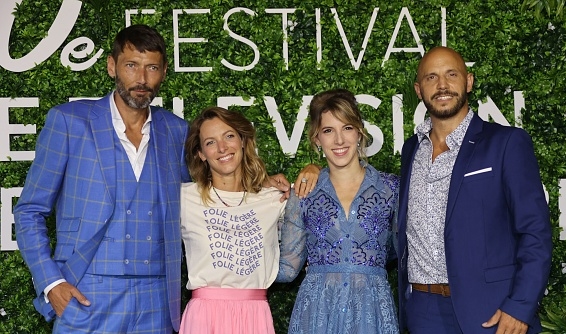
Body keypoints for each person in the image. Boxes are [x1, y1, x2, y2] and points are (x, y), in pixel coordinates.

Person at [12, 25, 298, 334]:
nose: (141, 79)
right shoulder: (69, 122)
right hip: (86, 294)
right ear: (112, 66)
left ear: (162, 73)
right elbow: (29, 211)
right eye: (131, 65)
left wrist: (261, 182)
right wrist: (52, 283)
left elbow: (214, 188)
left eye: (152, 68)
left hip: (157, 303)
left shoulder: (176, 130)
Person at [397, 46, 552, 334]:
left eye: (451, 74)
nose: (442, 85)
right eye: (431, 77)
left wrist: (520, 306)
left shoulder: (506, 143)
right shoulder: (411, 150)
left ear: (468, 81)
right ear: (419, 90)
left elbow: (535, 232)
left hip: (492, 312)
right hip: (423, 312)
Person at [277, 89, 400, 334]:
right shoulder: (303, 194)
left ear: (359, 131)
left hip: (372, 314)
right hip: (317, 316)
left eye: (347, 128)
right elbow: (288, 268)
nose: (339, 140)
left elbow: (403, 252)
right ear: (316, 138)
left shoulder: (391, 188)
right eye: (328, 131)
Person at [179, 106, 293, 333]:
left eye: (229, 136)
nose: (222, 148)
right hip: (203, 318)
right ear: (200, 153)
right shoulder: (183, 197)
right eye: (210, 142)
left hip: (255, 316)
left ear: (242, 140)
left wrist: (312, 170)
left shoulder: (274, 199)